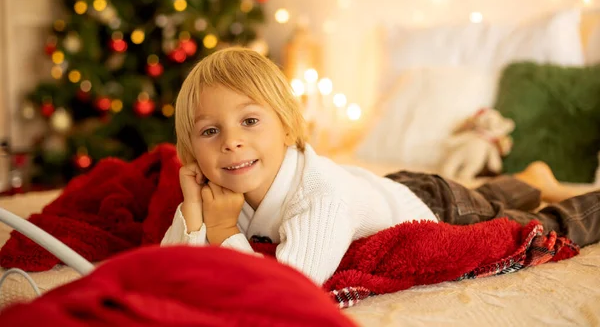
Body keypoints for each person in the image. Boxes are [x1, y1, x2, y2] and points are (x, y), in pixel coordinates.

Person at [161, 47, 600, 285]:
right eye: (209, 132)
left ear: (288, 129)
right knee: (486, 195)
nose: (232, 140)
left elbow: (286, 289)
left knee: (536, 225)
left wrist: (221, 232)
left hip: (434, 207)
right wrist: (194, 211)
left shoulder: (319, 195)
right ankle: (529, 179)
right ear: (191, 151)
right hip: (384, 188)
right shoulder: (229, 182)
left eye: (250, 121)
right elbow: (165, 268)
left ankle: (558, 194)